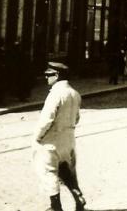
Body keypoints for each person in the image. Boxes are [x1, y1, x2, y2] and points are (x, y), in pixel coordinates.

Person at [33, 61, 87, 211]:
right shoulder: (75, 93)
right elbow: (77, 118)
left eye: (48, 75)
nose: (46, 78)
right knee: (65, 170)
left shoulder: (55, 94)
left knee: (48, 171)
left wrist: (37, 137)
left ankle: (55, 207)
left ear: (56, 75)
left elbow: (47, 119)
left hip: (52, 140)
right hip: (69, 139)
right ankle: (78, 196)